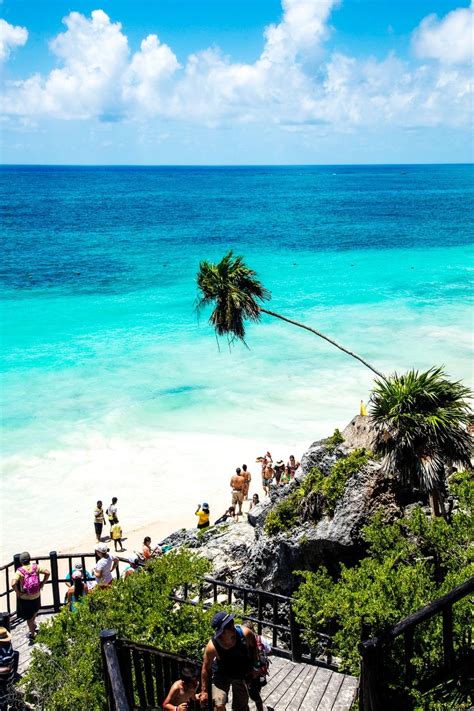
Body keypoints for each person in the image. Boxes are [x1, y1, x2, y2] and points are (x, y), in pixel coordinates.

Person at [200, 612, 258, 711]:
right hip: (221, 674)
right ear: (221, 632)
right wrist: (204, 691)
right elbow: (206, 667)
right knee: (218, 704)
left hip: (241, 673)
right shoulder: (212, 646)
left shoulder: (245, 633)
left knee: (241, 707)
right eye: (228, 625)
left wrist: (255, 666)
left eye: (232, 622)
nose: (232, 626)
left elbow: (254, 648)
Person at [12, 551, 50, 640]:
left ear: (21, 561)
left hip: (25, 598)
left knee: (29, 618)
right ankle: (33, 624)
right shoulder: (35, 567)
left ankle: (32, 634)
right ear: (30, 559)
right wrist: (42, 583)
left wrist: (18, 592)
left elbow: (13, 583)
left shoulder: (20, 571)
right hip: (36, 595)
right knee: (34, 612)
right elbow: (47, 572)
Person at [241, 621, 272, 711]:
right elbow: (269, 652)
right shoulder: (261, 639)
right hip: (260, 671)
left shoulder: (241, 640)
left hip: (249, 672)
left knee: (251, 695)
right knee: (256, 691)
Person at [0, 627, 16, 711]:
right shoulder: (5, 645)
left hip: (4, 682)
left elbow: (7, 669)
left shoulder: (7, 652)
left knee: (3, 701)